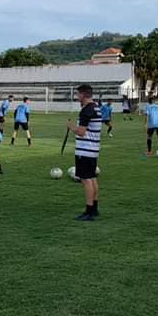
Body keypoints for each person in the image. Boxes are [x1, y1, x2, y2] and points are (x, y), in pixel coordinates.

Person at [67, 84, 102, 221]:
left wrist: (71, 127)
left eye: (78, 95)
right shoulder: (96, 107)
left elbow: (81, 132)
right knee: (92, 178)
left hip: (85, 150)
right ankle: (94, 209)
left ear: (82, 94)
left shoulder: (86, 110)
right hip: (93, 150)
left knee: (86, 180)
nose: (77, 98)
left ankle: (88, 211)